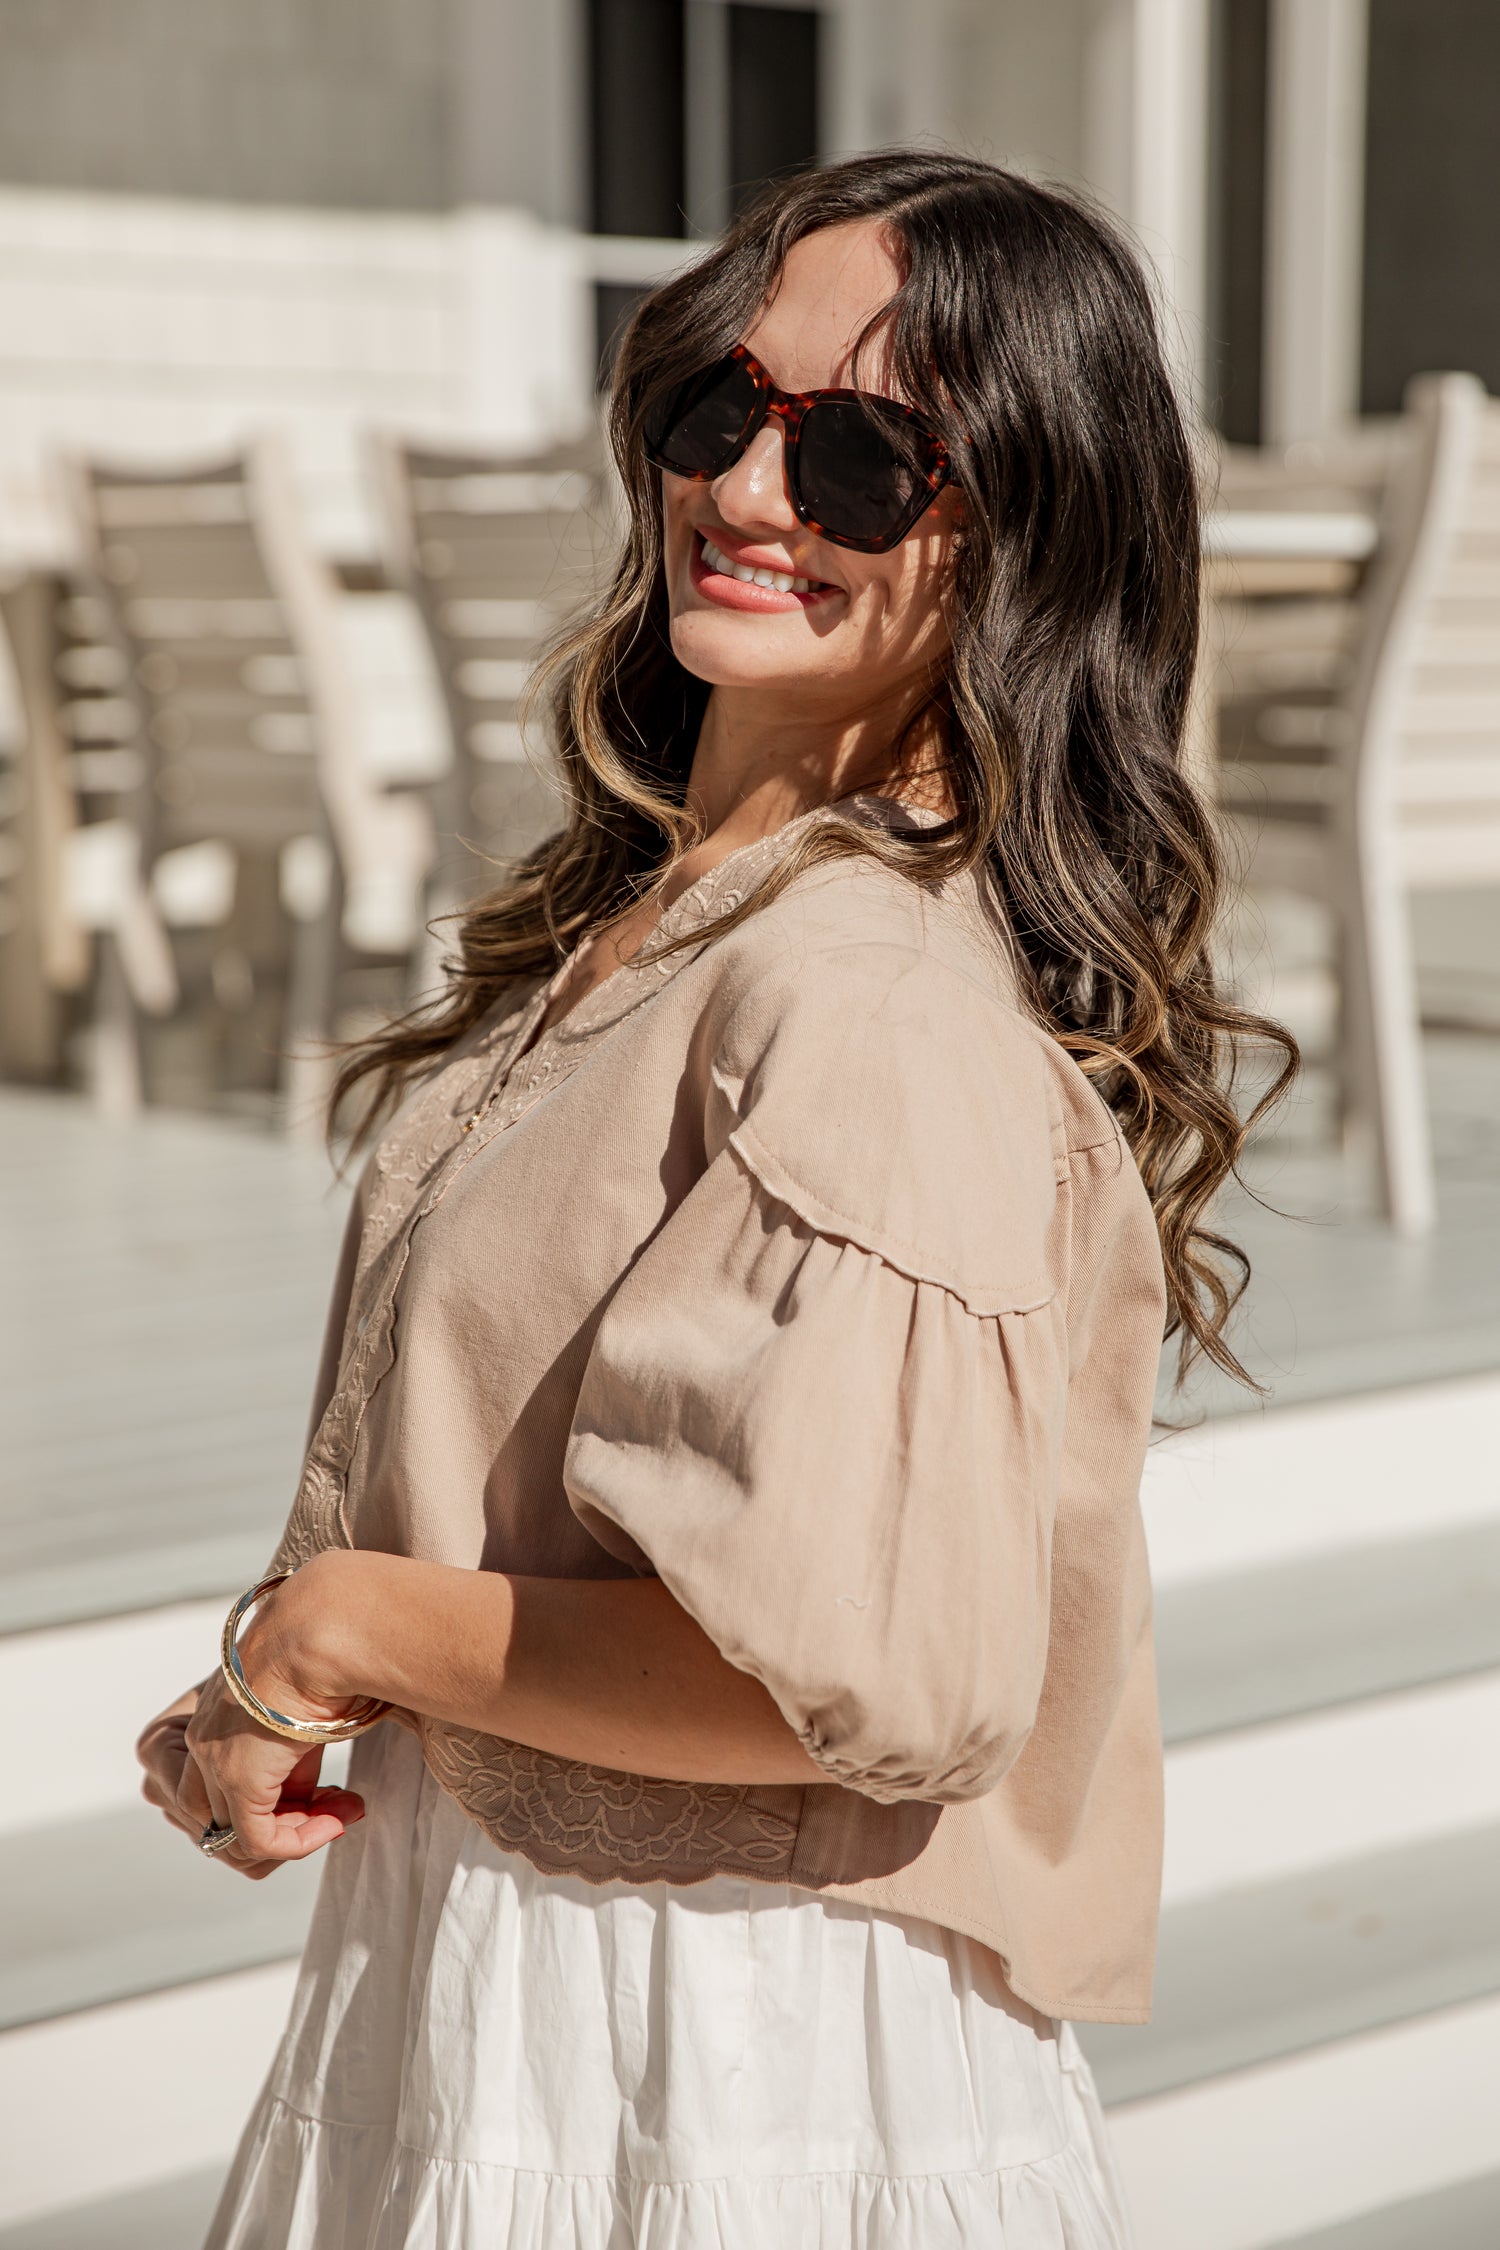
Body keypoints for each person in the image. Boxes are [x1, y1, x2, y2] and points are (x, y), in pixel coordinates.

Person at [137, 150, 1291, 2249]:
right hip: (532, 1987)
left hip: (707, 2062)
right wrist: (299, 1680)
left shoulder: (857, 991)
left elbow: (849, 1679)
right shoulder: (691, 917)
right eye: (719, 409)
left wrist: (334, 1627)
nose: (753, 490)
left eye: (870, 457)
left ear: (1026, 537)